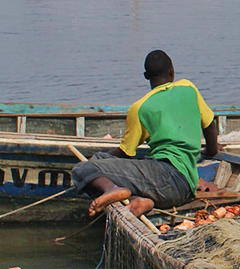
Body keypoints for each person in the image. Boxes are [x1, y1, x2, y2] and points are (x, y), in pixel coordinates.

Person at [72, 49, 220, 216]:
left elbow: (126, 153)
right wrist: (211, 151)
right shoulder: (189, 88)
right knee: (102, 161)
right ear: (172, 71)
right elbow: (210, 124)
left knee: (82, 169)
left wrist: (96, 161)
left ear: (146, 76)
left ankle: (111, 188)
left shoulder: (140, 107)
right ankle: (144, 201)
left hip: (165, 178)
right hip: (185, 188)